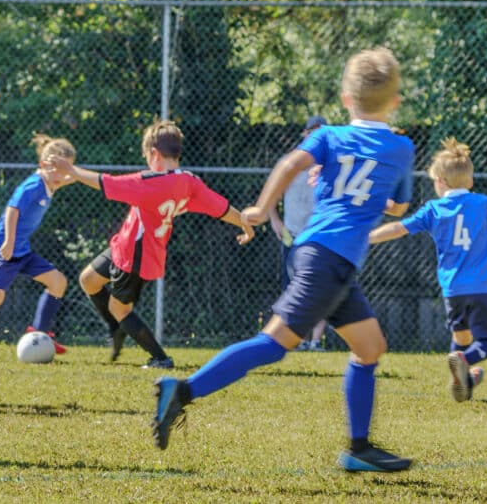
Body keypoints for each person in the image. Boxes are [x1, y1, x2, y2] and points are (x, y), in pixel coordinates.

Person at [150, 47, 415, 473]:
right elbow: (399, 208)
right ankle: (180, 391)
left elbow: (291, 162)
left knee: (370, 347)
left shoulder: (329, 136)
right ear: (396, 100)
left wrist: (258, 208)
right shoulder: (401, 148)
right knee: (273, 345)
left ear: (346, 100)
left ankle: (359, 449)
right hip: (328, 260)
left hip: (322, 257)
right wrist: (362, 196)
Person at [45, 120, 254, 368]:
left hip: (136, 253)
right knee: (88, 279)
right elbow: (220, 207)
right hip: (123, 246)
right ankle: (118, 328)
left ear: (154, 153)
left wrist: (72, 169)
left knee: (119, 308)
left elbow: (107, 183)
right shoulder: (188, 181)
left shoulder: (150, 183)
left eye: (146, 155)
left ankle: (160, 358)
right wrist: (244, 223)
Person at [369, 138, 487, 402]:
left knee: (461, 336)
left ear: (440, 182)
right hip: (481, 288)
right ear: (469, 181)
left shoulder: (433, 209)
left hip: (453, 290)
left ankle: (465, 381)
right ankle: (464, 361)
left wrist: (367, 237)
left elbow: (399, 228)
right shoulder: (484, 203)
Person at [0, 134, 77, 360]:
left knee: (58, 282)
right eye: (58, 169)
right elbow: (12, 210)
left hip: (21, 251)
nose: (62, 176)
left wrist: (76, 174)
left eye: (66, 169)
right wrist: (8, 242)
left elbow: (70, 176)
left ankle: (40, 332)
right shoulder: (34, 185)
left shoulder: (52, 181)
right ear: (43, 165)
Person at [269, 115, 328, 351]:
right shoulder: (290, 162)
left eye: (320, 131)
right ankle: (297, 339)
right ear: (304, 134)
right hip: (291, 234)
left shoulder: (330, 164)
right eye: (311, 131)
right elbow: (270, 195)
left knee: (323, 287)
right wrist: (276, 222)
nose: (314, 136)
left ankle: (315, 341)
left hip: (318, 236)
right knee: (293, 288)